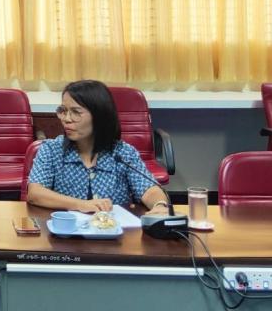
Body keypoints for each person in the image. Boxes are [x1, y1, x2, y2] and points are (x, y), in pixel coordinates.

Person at [27, 79, 170, 215]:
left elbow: (149, 188)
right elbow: (35, 193)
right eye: (63, 111)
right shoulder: (51, 150)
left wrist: (159, 205)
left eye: (76, 112)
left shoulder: (123, 153)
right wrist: (81, 204)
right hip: (66, 230)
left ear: (99, 116)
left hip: (113, 229)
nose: (66, 119)